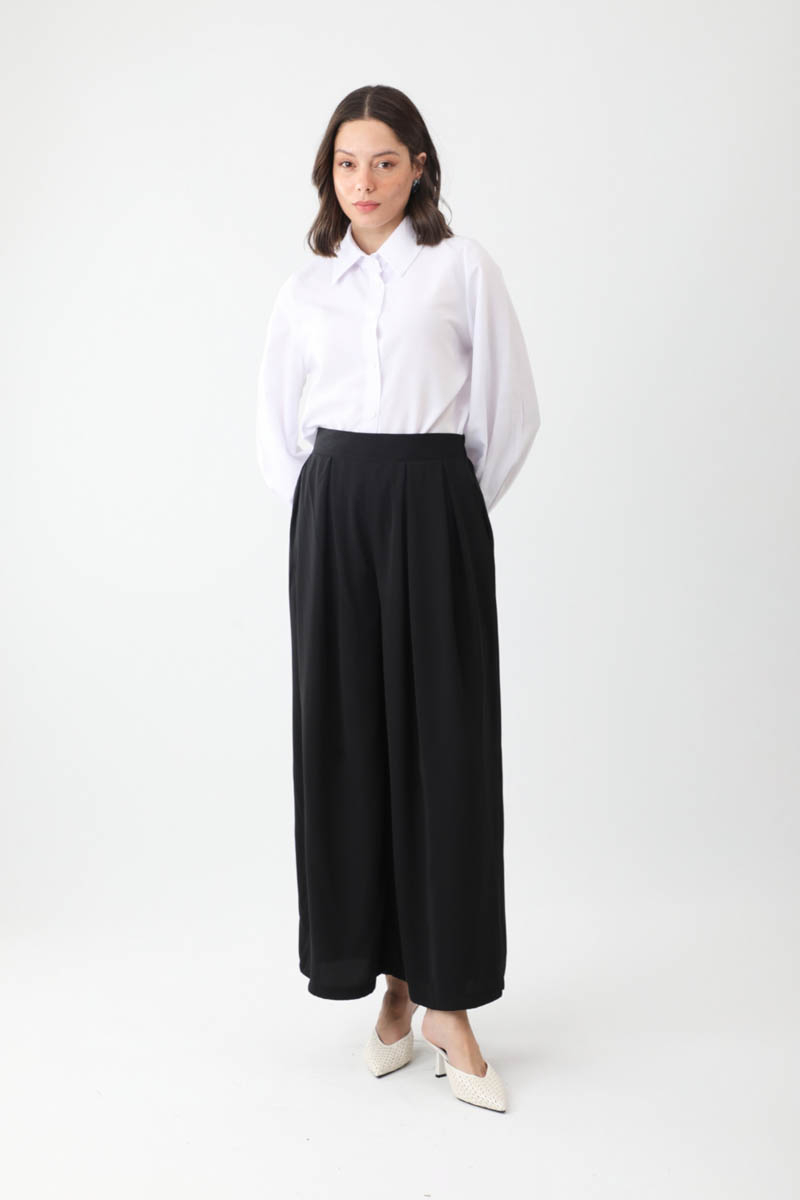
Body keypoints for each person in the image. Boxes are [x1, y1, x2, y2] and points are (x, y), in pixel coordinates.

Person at [256, 84, 541, 1113]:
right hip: (334, 515)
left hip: (433, 507)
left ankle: (448, 998)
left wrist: (441, 510)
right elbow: (276, 431)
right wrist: (330, 515)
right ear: (327, 175)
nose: (364, 182)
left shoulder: (460, 269)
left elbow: (509, 416)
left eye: (384, 161)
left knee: (445, 749)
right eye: (347, 163)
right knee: (349, 742)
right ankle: (392, 981)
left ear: (417, 165)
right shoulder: (307, 289)